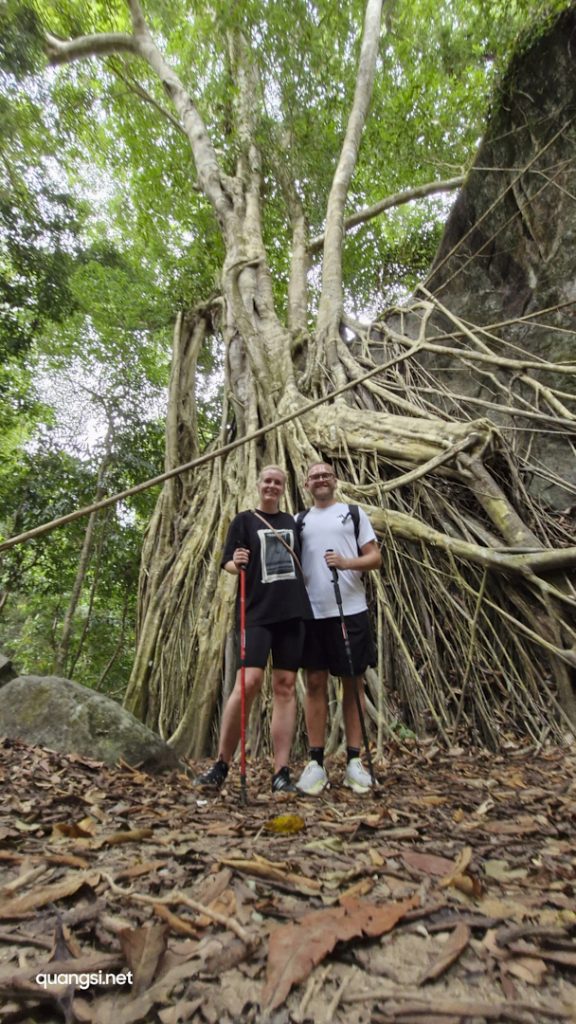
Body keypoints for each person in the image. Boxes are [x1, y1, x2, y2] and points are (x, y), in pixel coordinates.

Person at [197, 465, 311, 793]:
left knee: (286, 686)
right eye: (267, 481)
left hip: (292, 614)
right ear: (258, 484)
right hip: (256, 612)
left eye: (278, 482)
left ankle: (281, 772)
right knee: (248, 683)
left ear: (283, 487)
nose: (272, 486)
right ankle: (221, 764)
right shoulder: (244, 520)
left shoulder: (294, 523)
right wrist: (238, 562)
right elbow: (228, 563)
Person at [296, 462, 381, 795]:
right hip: (312, 612)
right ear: (306, 484)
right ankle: (315, 763)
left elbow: (374, 558)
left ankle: (354, 762)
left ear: (335, 481)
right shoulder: (298, 521)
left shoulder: (354, 514)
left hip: (351, 610)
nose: (320, 479)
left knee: (353, 684)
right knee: (314, 682)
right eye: (315, 476)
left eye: (326, 475)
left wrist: (346, 563)